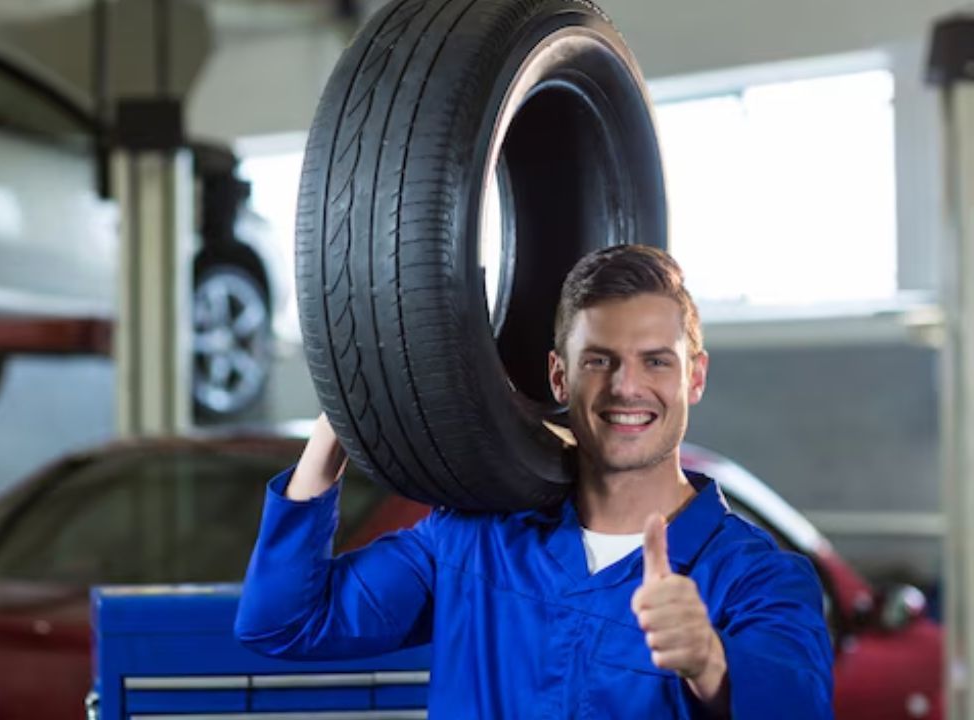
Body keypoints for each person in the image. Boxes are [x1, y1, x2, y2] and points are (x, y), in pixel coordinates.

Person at [235, 245, 833, 718]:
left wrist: (709, 661)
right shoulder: (473, 542)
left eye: (656, 360)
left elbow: (800, 703)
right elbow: (284, 623)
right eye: (599, 360)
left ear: (694, 378)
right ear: (558, 375)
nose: (627, 387)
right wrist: (344, 412)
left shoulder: (755, 578)